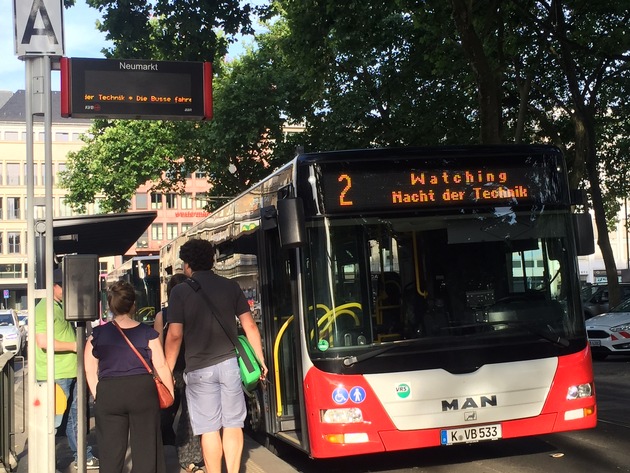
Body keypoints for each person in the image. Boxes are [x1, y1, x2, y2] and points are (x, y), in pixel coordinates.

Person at [165, 238, 268, 473]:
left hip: (199, 370)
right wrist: (260, 360)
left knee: (209, 429)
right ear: (211, 261)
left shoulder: (180, 292)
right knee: (233, 425)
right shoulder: (230, 286)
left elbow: (174, 335)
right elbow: (250, 326)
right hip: (230, 365)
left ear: (188, 264)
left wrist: (167, 370)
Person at [84, 280, 174, 473]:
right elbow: (161, 364)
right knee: (146, 448)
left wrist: (98, 394)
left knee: (110, 451)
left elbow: (90, 369)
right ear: (134, 305)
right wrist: (170, 392)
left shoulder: (96, 335)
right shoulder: (147, 333)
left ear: (110, 305)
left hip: (109, 392)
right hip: (142, 391)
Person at [34, 268, 99, 470]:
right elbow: (42, 341)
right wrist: (74, 346)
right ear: (53, 286)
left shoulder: (62, 305)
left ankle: (83, 456)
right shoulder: (44, 308)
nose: (67, 289)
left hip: (70, 372)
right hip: (56, 375)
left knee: (76, 419)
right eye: (63, 285)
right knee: (53, 423)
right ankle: (47, 462)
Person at [154, 272, 203, 473]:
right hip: (190, 367)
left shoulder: (162, 315)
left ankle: (166, 453)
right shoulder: (195, 311)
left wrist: (161, 371)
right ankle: (187, 457)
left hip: (172, 369)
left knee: (169, 414)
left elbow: (157, 345)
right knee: (188, 415)